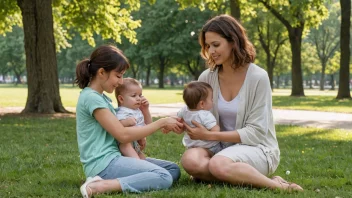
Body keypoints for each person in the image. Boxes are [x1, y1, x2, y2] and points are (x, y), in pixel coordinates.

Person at [180, 14, 303, 191]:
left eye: (216, 45)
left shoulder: (258, 77)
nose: (211, 51)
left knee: (217, 164)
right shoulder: (207, 77)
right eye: (208, 46)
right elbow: (197, 111)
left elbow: (255, 133)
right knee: (190, 160)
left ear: (233, 41)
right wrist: (181, 123)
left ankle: (277, 185)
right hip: (219, 148)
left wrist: (209, 136)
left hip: (257, 148)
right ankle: (234, 174)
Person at [75, 45, 182, 197]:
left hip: (115, 158)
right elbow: (122, 135)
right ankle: (99, 186)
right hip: (103, 164)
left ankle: (125, 179)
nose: (121, 82)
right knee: (164, 176)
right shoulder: (91, 98)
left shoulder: (100, 98)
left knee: (173, 170)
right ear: (101, 72)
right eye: (118, 76)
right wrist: (161, 123)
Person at [177, 81, 222, 155]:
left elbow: (178, 119)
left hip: (192, 146)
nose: (212, 101)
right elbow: (216, 131)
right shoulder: (205, 115)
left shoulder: (184, 110)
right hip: (211, 147)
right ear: (202, 104)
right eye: (211, 99)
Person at [115, 78, 148, 159]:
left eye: (140, 95)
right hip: (126, 144)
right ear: (121, 99)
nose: (138, 98)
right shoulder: (122, 111)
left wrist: (146, 109)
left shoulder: (137, 110)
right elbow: (116, 125)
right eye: (134, 95)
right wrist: (125, 122)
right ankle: (137, 164)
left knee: (144, 160)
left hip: (136, 143)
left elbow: (148, 124)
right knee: (138, 161)